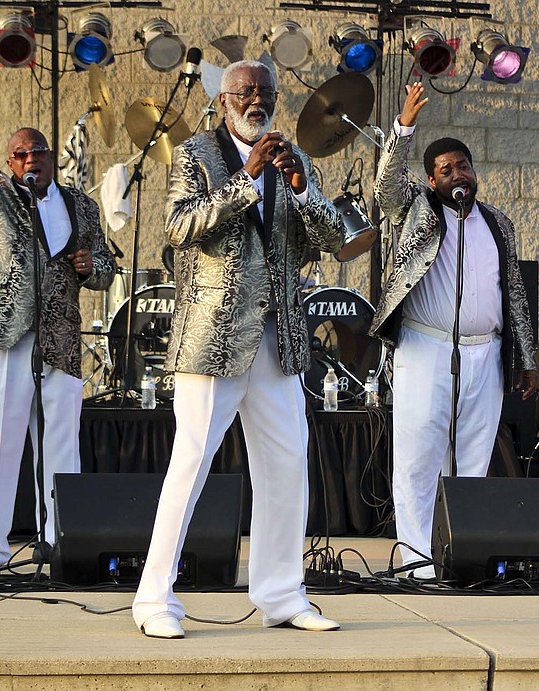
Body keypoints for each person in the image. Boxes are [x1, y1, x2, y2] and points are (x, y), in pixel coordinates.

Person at [132, 59, 344, 639]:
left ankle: (281, 593)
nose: (257, 100)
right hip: (214, 338)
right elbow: (177, 228)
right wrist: (245, 179)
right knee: (193, 460)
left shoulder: (289, 158)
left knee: (285, 466)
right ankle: (154, 597)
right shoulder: (195, 154)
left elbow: (332, 243)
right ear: (224, 100)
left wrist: (301, 190)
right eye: (246, 92)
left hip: (278, 337)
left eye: (266, 92)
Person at [0, 69, 116, 576]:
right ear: (9, 162)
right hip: (4, 331)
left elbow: (107, 269)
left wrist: (93, 267)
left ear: (49, 159)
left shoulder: (81, 205)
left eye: (36, 153)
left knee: (62, 438)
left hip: (61, 335)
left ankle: (59, 543)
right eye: (19, 154)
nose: (28, 161)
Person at [371, 82, 537, 581]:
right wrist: (403, 128)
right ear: (430, 179)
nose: (458, 174)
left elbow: (514, 295)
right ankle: (417, 561)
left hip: (484, 353)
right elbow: (384, 189)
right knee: (420, 456)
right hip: (425, 347)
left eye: (464, 166)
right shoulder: (414, 210)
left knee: (474, 457)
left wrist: (525, 356)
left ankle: (462, 554)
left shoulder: (497, 223)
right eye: (447, 169)